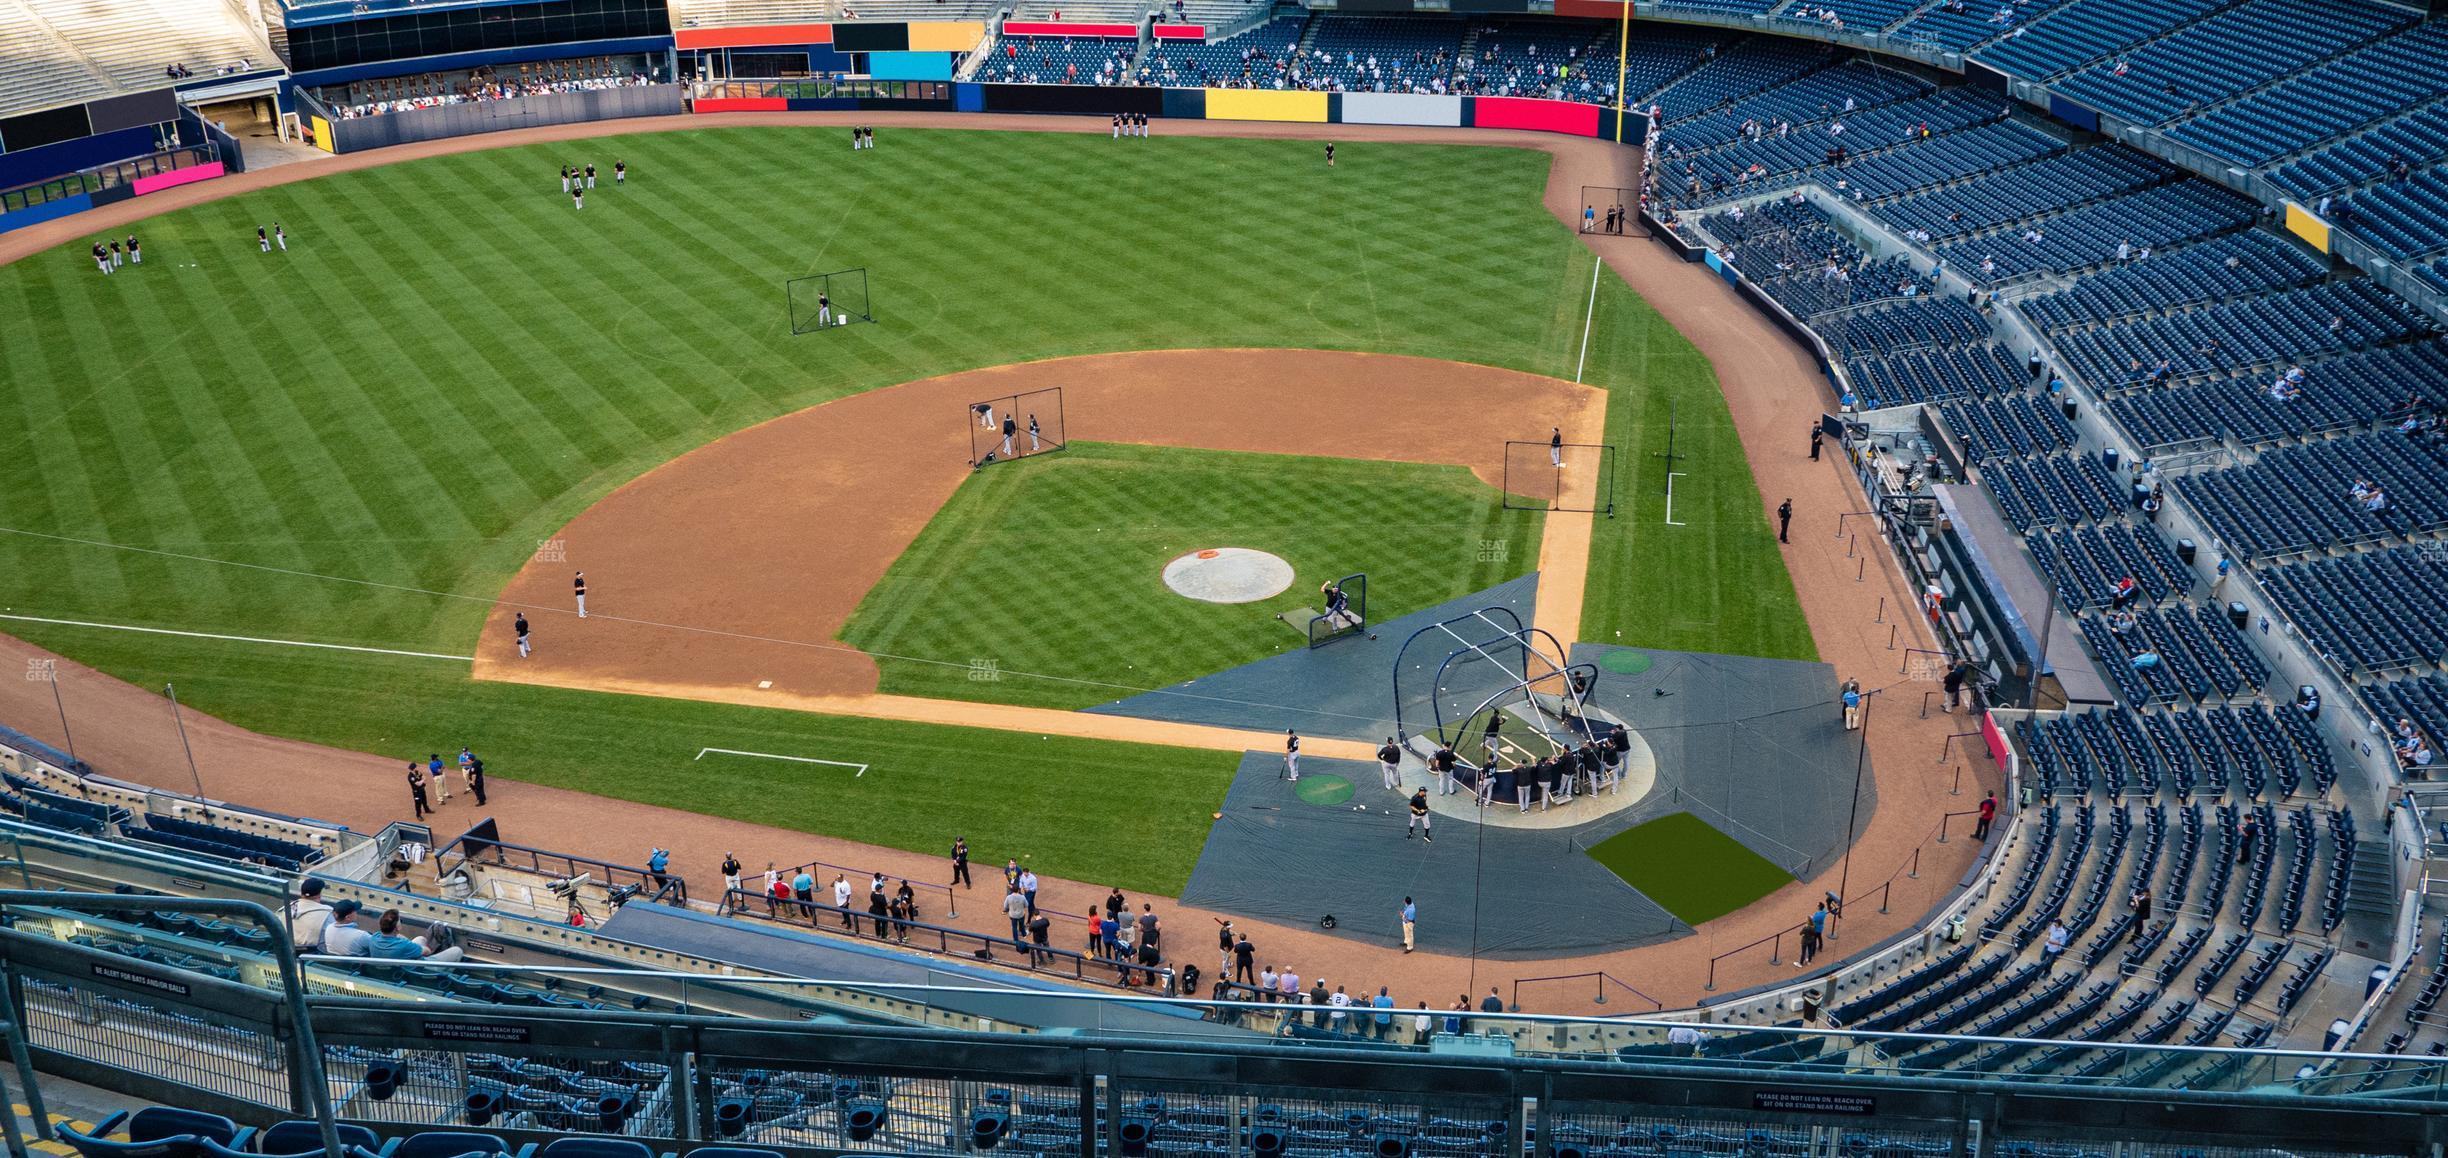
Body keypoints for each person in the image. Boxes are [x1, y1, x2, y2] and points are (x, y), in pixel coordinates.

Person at [288, 878, 335, 953]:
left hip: (286, 952)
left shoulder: (285, 908)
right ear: (319, 894)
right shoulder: (326, 913)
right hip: (313, 956)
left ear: (301, 893)